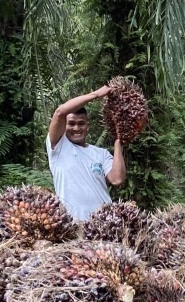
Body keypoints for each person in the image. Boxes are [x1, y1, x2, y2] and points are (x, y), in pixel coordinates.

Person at [46, 84, 127, 221]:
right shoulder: (58, 147)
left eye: (81, 123)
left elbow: (117, 178)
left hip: (105, 224)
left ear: (87, 126)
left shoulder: (101, 153)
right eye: (71, 123)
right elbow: (60, 112)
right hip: (73, 224)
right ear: (64, 126)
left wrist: (118, 141)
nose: (76, 128)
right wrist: (95, 94)